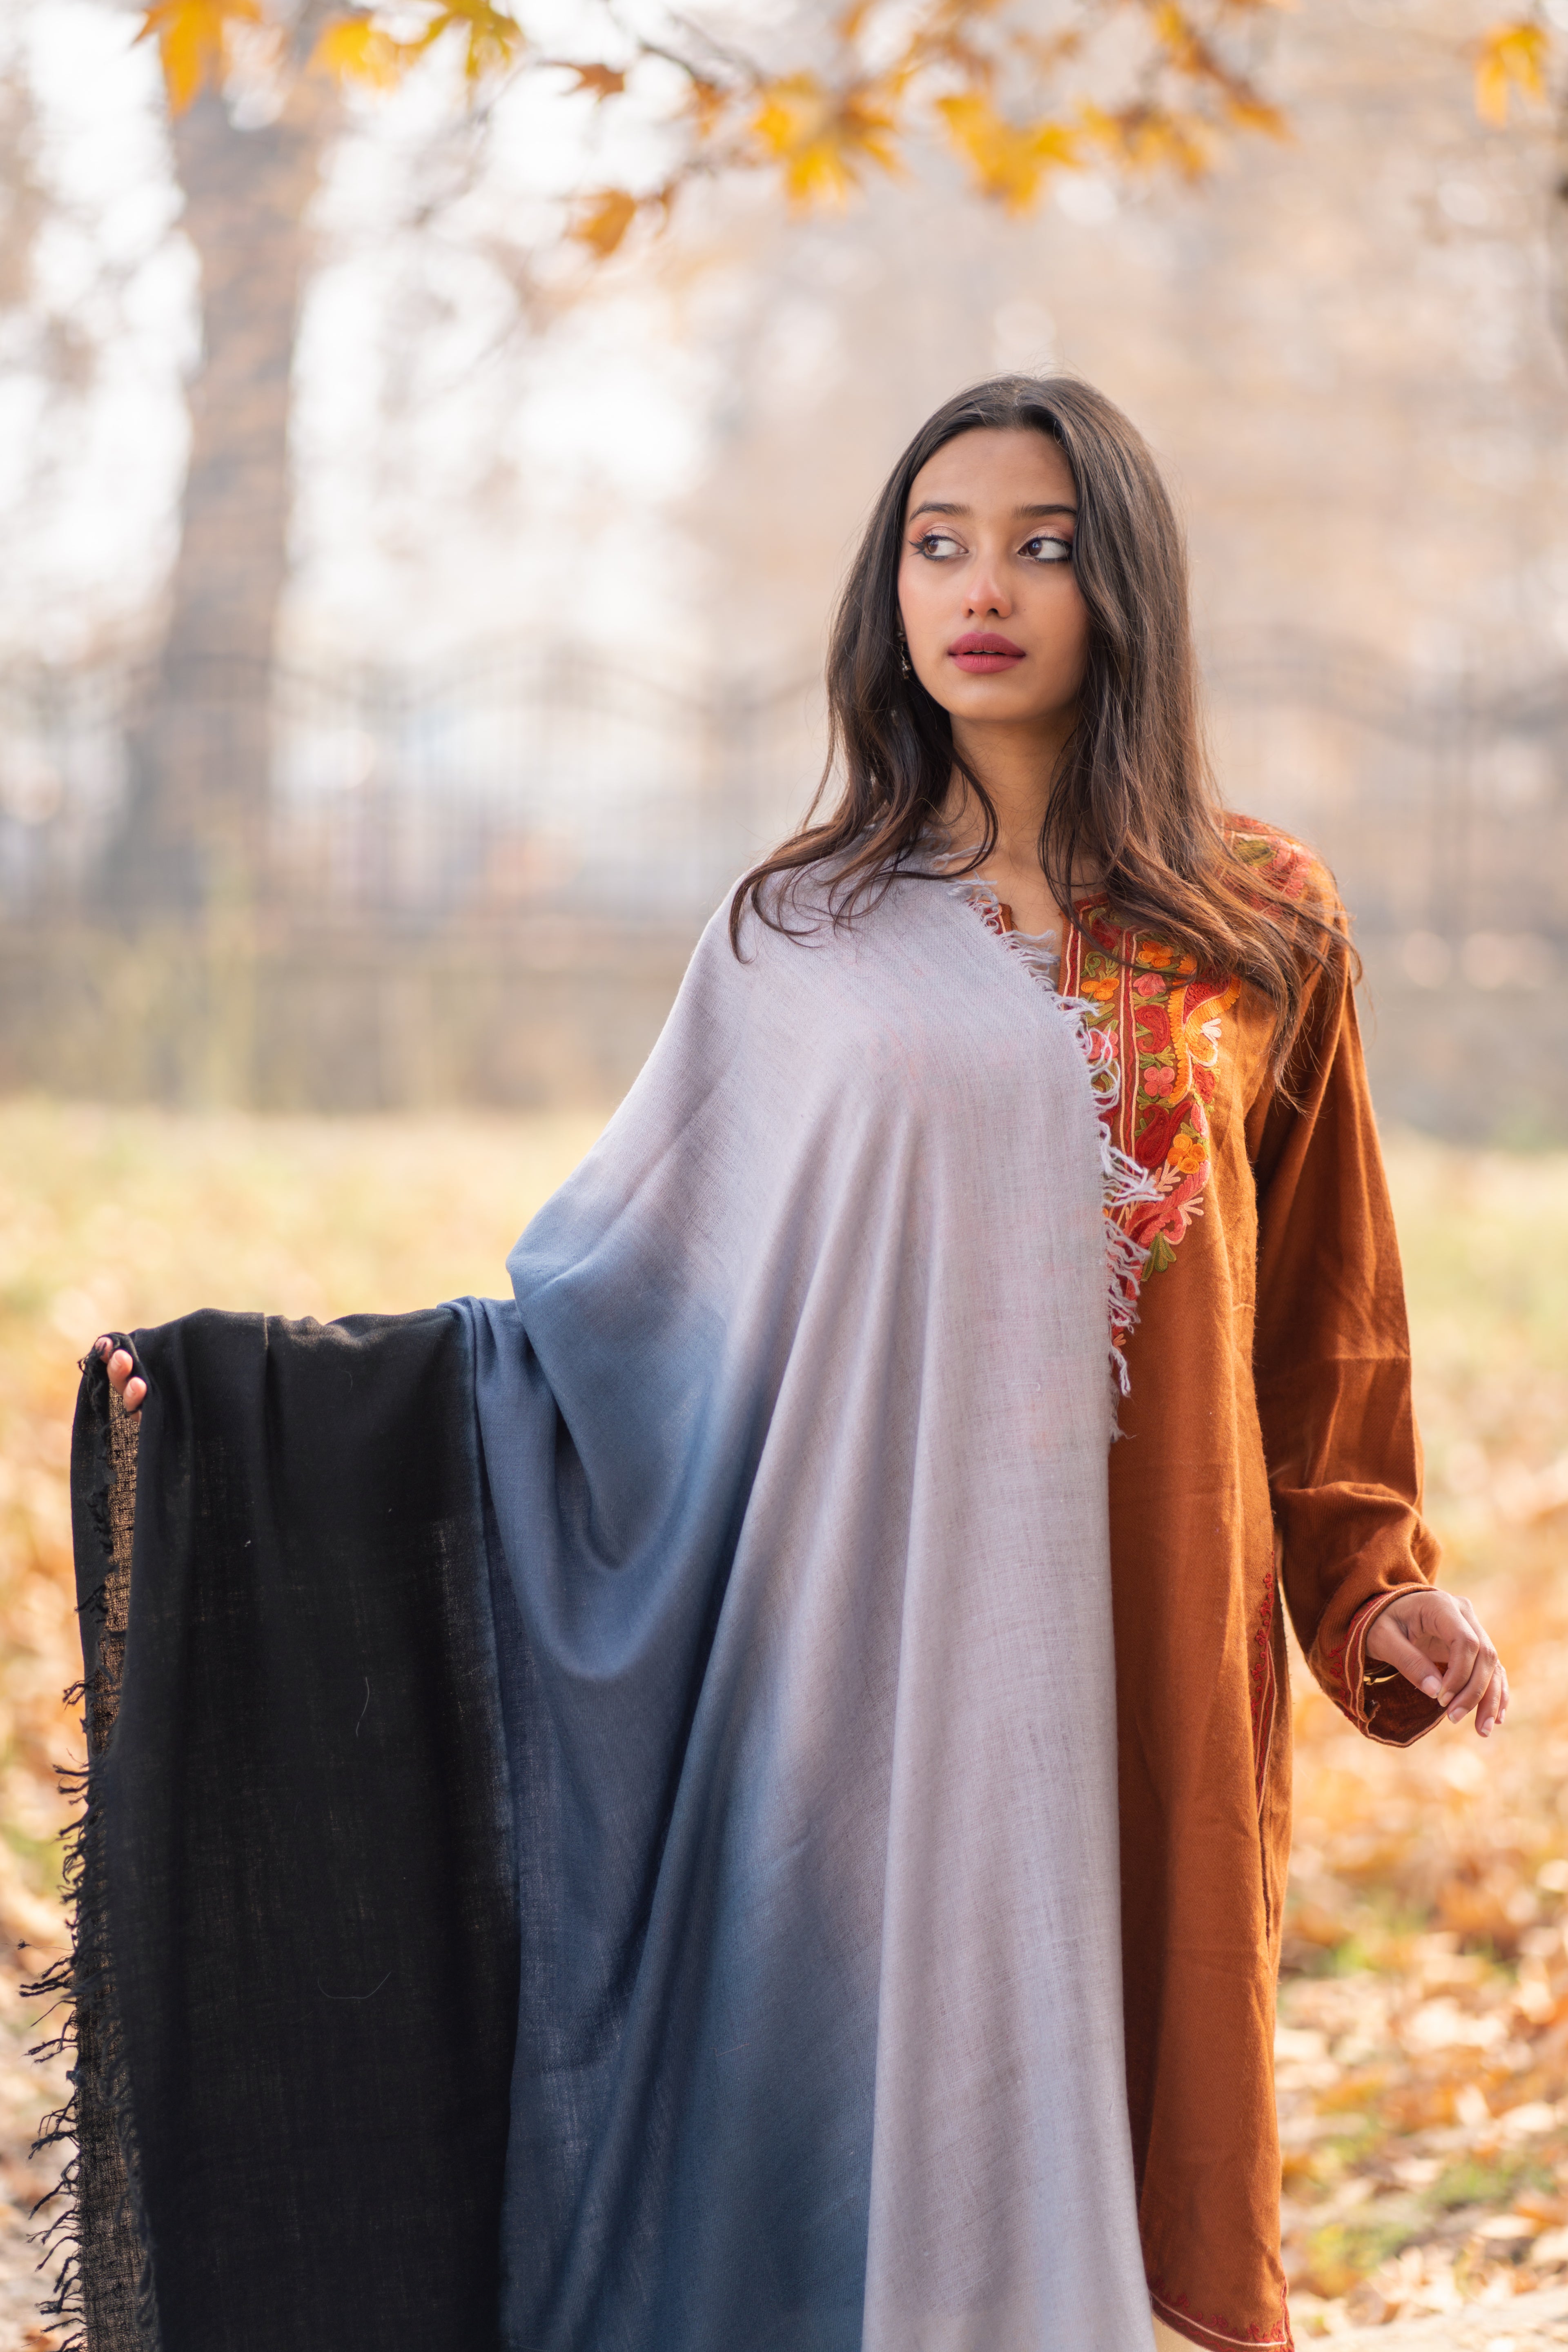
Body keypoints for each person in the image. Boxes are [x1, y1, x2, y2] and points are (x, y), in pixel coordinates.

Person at [94, 374, 1505, 2352]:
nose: (982, 588)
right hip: (870, 1668)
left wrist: (1378, 1591)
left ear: (1130, 587)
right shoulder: (801, 935)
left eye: (1045, 542)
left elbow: (1325, 1317)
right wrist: (270, 1403)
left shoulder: (1258, 921)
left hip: (1149, 1662)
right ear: (888, 587)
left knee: (1126, 2155)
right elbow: (615, 1327)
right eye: (940, 542)